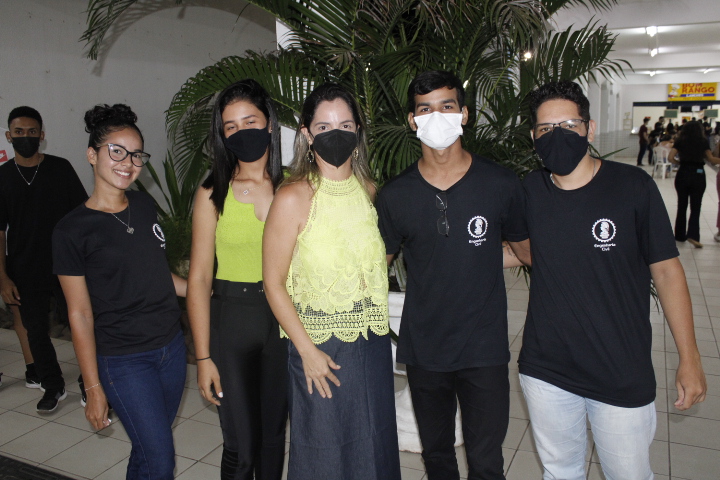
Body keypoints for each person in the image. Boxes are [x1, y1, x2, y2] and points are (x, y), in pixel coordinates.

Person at [519, 80, 707, 480]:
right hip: (547, 368)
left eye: (569, 125)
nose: (557, 136)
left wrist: (689, 358)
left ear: (590, 128)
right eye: (546, 129)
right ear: (533, 137)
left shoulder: (632, 186)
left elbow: (667, 271)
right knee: (560, 473)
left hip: (620, 368)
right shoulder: (529, 191)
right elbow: (523, 251)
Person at [376, 70, 531, 480]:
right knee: (438, 457)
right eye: (425, 109)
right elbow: (376, 266)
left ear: (464, 114)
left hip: (484, 348)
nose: (436, 117)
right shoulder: (396, 194)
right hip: (425, 348)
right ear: (412, 121)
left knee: (486, 462)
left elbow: (526, 253)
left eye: (446, 106)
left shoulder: (500, 183)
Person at [263, 83, 401, 480]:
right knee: (323, 452)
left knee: (375, 447)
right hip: (319, 345)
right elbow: (273, 283)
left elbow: (376, 258)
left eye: (344, 125)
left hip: (371, 342)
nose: (334, 134)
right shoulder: (292, 197)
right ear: (307, 135)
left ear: (358, 130)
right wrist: (307, 351)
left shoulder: (369, 192)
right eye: (323, 127)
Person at [53, 104, 187, 480]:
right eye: (117, 151)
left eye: (136, 154)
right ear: (92, 155)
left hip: (171, 348)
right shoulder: (72, 230)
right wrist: (93, 386)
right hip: (124, 359)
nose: (128, 163)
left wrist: (205, 290)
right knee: (161, 460)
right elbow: (80, 314)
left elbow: (158, 276)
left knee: (148, 450)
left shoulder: (144, 205)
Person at [187, 79, 287, 480]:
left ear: (269, 123)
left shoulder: (294, 188)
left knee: (273, 439)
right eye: (231, 126)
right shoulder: (213, 192)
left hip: (283, 322)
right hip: (231, 321)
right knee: (240, 446)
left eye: (250, 121)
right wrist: (203, 357)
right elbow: (198, 278)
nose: (241, 132)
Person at [0, 106, 87, 412]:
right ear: (9, 136)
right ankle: (52, 385)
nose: (26, 137)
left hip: (67, 264)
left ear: (42, 135)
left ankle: (89, 382)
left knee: (79, 324)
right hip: (24, 268)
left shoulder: (60, 168)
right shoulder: (2, 176)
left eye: (32, 132)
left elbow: (81, 216)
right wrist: (3, 277)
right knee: (35, 330)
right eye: (19, 132)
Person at [668, 120, 720, 248]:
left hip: (683, 174)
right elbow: (712, 159)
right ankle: (693, 235)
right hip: (698, 174)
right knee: (696, 207)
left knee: (682, 205)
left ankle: (679, 235)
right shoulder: (703, 142)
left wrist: (680, 163)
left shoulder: (680, 141)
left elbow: (670, 157)